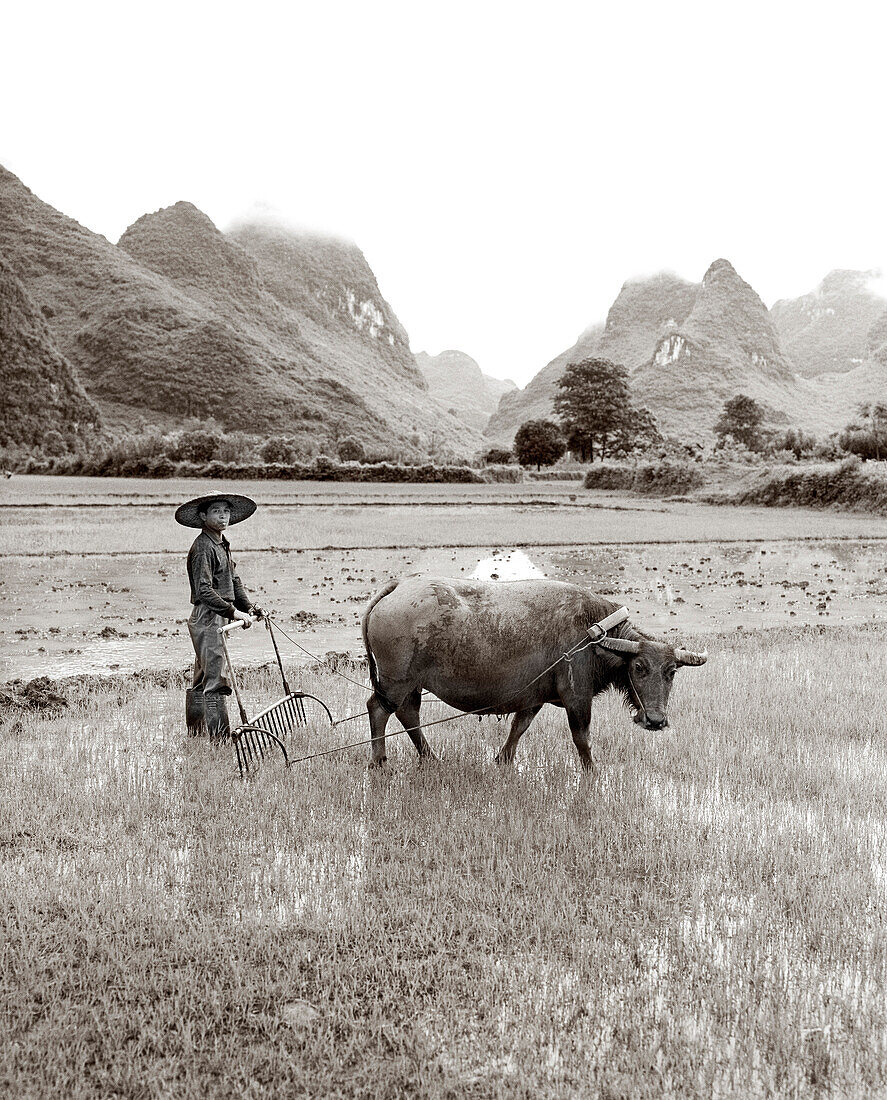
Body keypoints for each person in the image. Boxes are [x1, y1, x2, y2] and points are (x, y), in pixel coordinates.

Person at [174, 493, 265, 738]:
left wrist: (249, 608)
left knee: (204, 675)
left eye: (226, 511)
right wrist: (233, 612)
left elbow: (232, 580)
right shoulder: (203, 547)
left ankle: (196, 734)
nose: (223, 516)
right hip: (208, 616)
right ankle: (221, 741)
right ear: (203, 516)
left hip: (217, 615)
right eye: (216, 511)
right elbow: (204, 590)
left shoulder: (221, 543)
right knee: (216, 679)